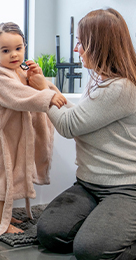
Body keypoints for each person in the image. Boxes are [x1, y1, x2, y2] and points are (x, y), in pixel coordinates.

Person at [29, 8, 136, 260]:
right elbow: (82, 116)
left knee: (91, 251)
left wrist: (44, 92)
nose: (76, 49)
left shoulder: (121, 88)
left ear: (98, 45)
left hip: (125, 188)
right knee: (49, 233)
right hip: (89, 184)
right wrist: (48, 87)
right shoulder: (101, 81)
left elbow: (69, 126)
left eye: (80, 42)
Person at [0, 22, 67, 241]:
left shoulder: (19, 73)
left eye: (18, 48)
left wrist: (36, 76)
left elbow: (29, 89)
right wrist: (47, 95)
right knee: (3, 178)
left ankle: (7, 218)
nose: (13, 55)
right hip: (3, 138)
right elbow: (20, 96)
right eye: (5, 50)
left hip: (20, 136)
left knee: (16, 176)